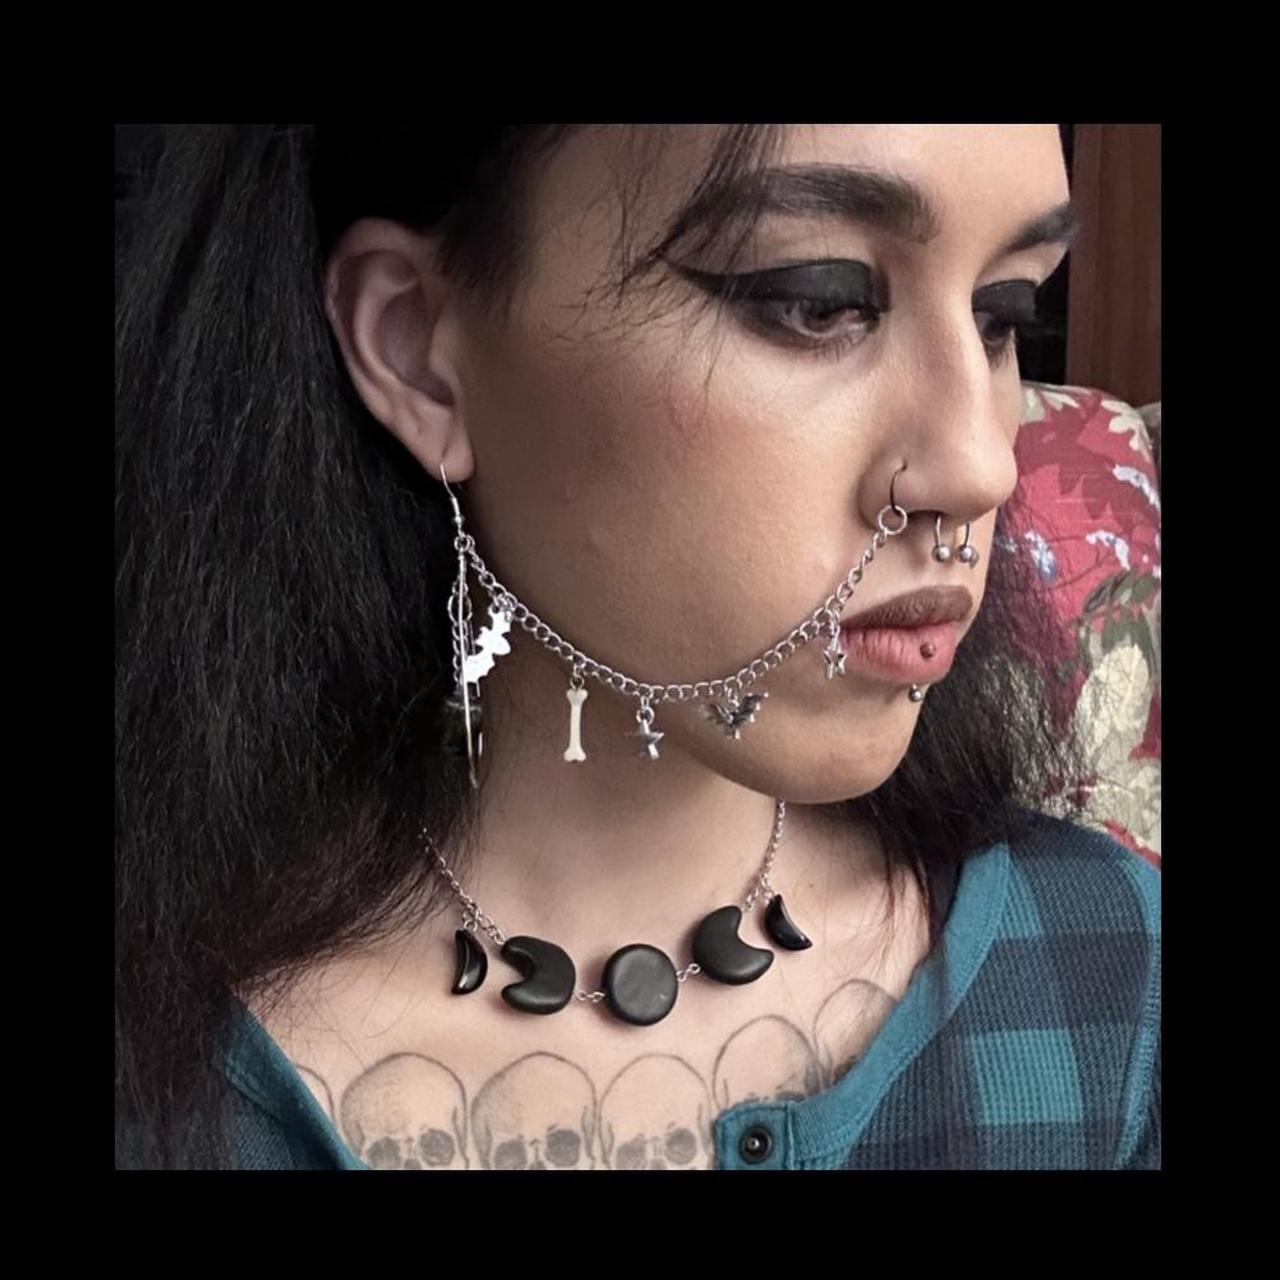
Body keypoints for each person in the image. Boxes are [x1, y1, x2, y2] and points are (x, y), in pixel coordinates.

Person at [115, 124, 1160, 1171]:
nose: (979, 466)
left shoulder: (1108, 983)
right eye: (816, 299)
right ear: (418, 349)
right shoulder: (160, 1056)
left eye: (1001, 314)